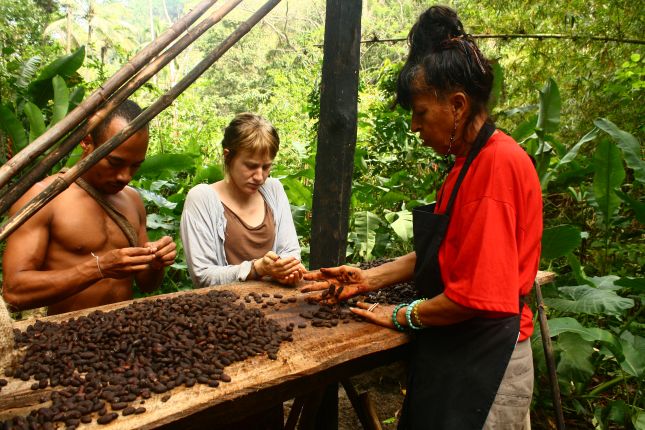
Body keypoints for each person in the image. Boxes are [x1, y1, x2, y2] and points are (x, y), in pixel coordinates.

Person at [302, 5, 542, 430]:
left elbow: (472, 296)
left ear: (458, 104)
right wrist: (368, 278)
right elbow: (447, 253)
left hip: (486, 365)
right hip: (461, 353)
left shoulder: (496, 168)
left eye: (420, 112)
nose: (414, 126)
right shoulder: (466, 164)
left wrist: (400, 315)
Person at [2, 100, 177, 316]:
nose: (125, 176)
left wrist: (157, 263)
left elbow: (147, 285)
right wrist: (99, 268)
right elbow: (14, 293)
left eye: (135, 165)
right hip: (66, 339)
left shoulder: (132, 200)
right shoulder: (44, 198)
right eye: (115, 162)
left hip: (125, 337)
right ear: (87, 142)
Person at [180, 113, 304, 288]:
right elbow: (203, 276)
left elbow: (290, 252)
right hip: (223, 309)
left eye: (266, 166)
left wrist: (287, 270)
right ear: (227, 156)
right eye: (251, 166)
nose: (260, 176)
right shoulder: (202, 199)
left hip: (276, 304)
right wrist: (257, 268)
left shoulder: (273, 189)